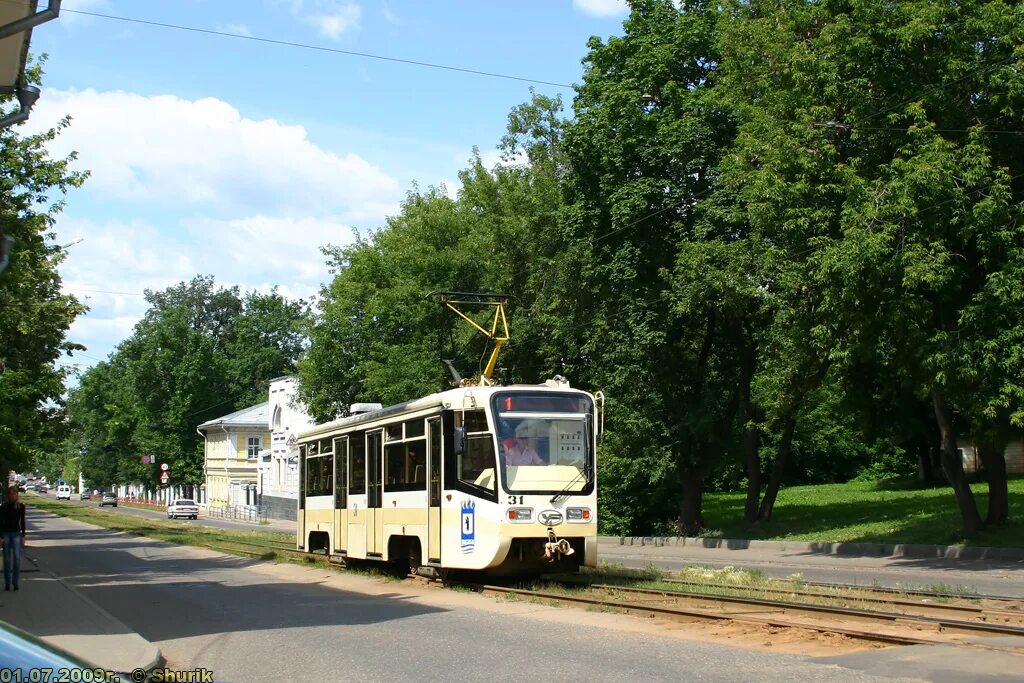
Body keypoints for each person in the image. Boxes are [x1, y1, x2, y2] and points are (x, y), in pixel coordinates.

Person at [0, 485, 26, 591]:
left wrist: (24, 535)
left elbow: (22, 521)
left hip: (16, 534)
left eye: (14, 494)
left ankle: (15, 582)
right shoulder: (3, 507)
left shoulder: (20, 507)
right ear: (7, 495)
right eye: (10, 494)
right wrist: (0, 536)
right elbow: (0, 522)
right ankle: (7, 582)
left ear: (17, 495)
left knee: (17, 558)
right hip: (6, 533)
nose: (12, 496)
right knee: (6, 559)